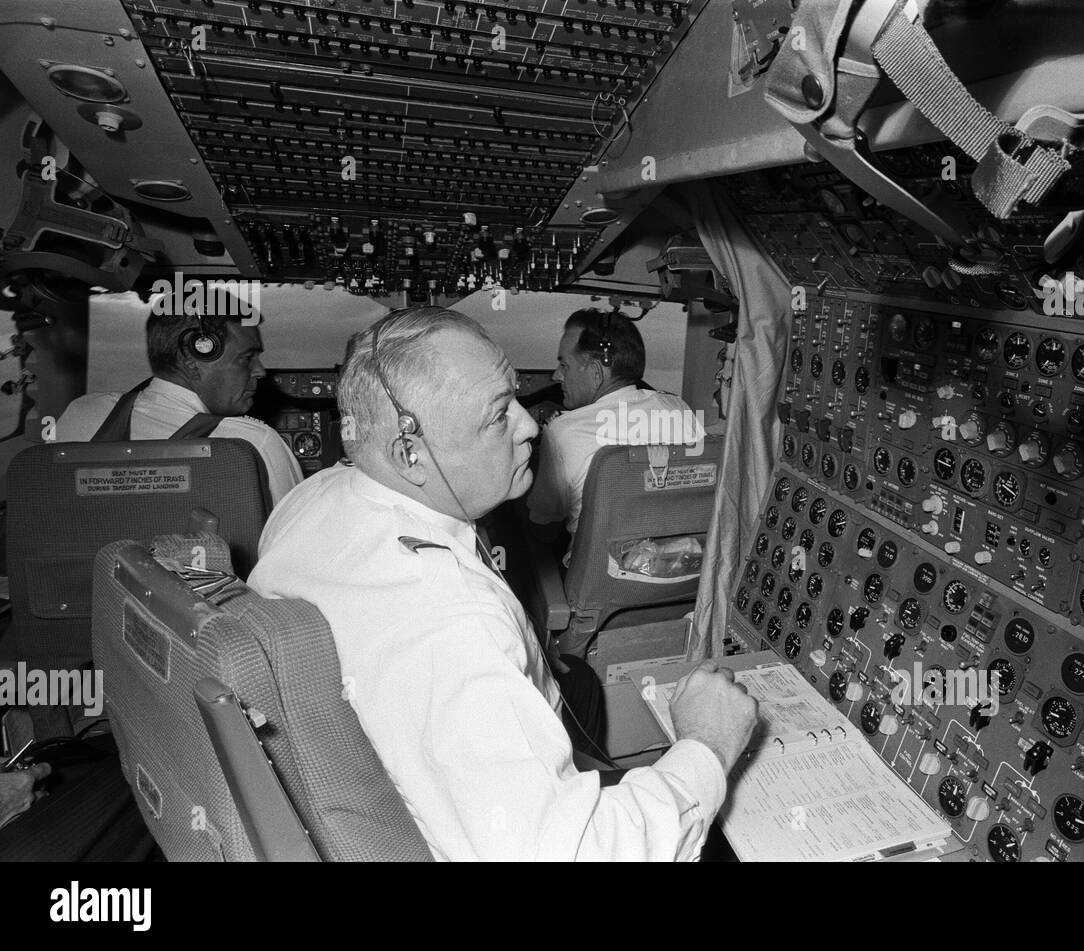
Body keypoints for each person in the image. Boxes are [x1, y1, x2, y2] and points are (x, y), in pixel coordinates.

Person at [248, 306, 757, 861]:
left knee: (577, 681)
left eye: (516, 396)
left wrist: (527, 648)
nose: (532, 425)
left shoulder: (308, 498)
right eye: (498, 415)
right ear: (408, 453)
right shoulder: (452, 626)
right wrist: (706, 745)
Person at [55, 308, 303, 505]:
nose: (260, 371)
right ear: (193, 360)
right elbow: (295, 546)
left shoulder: (81, 414)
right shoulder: (253, 444)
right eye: (247, 358)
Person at [526, 309, 700, 540]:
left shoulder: (563, 432)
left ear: (596, 372)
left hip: (599, 574)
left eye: (565, 365)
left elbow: (543, 515)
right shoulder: (679, 409)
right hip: (679, 566)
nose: (557, 376)